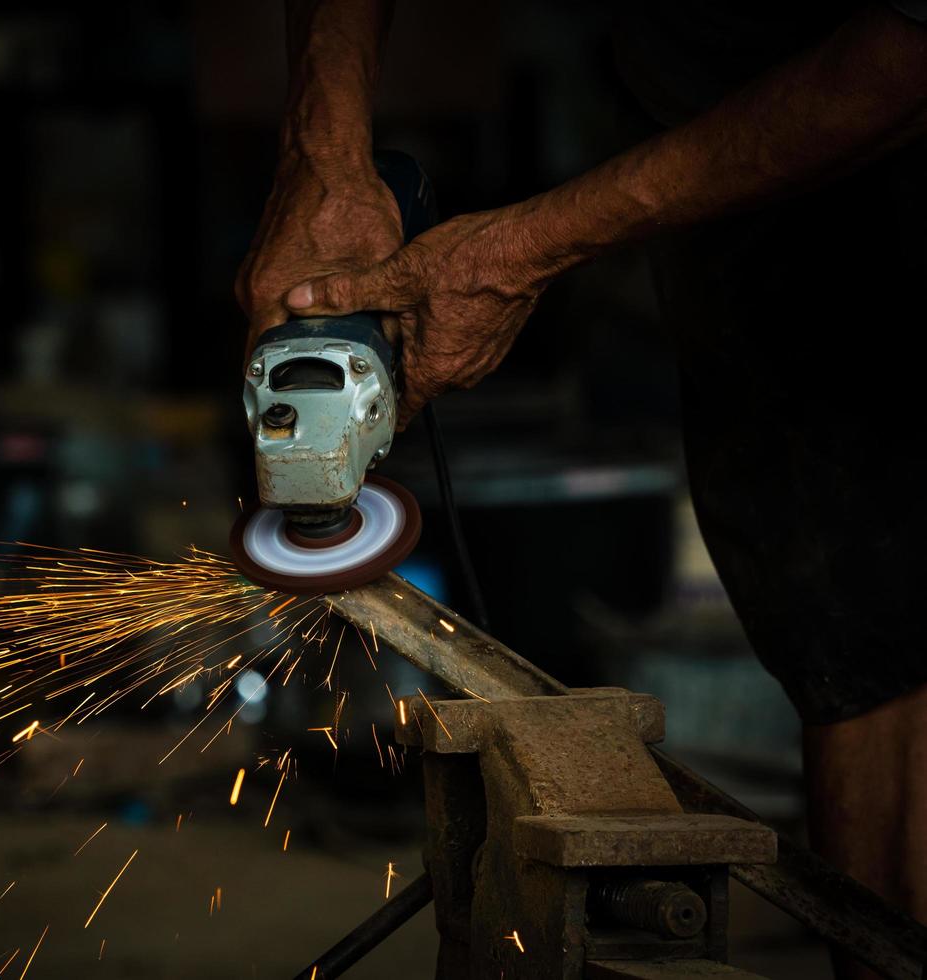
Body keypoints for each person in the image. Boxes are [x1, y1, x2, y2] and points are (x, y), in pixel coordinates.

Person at [236, 3, 927, 977]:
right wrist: (323, 152)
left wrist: (527, 248)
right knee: (830, 603)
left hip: (875, 127)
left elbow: (899, 60)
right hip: (710, 108)